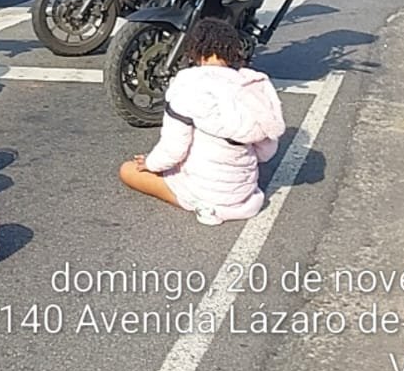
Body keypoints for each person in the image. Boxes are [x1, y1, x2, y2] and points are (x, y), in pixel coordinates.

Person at [118, 17, 286, 226]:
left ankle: (200, 203)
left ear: (196, 50)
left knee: (128, 170)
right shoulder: (251, 86)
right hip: (245, 194)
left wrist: (151, 163)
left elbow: (174, 148)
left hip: (204, 191)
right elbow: (266, 152)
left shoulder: (188, 84)